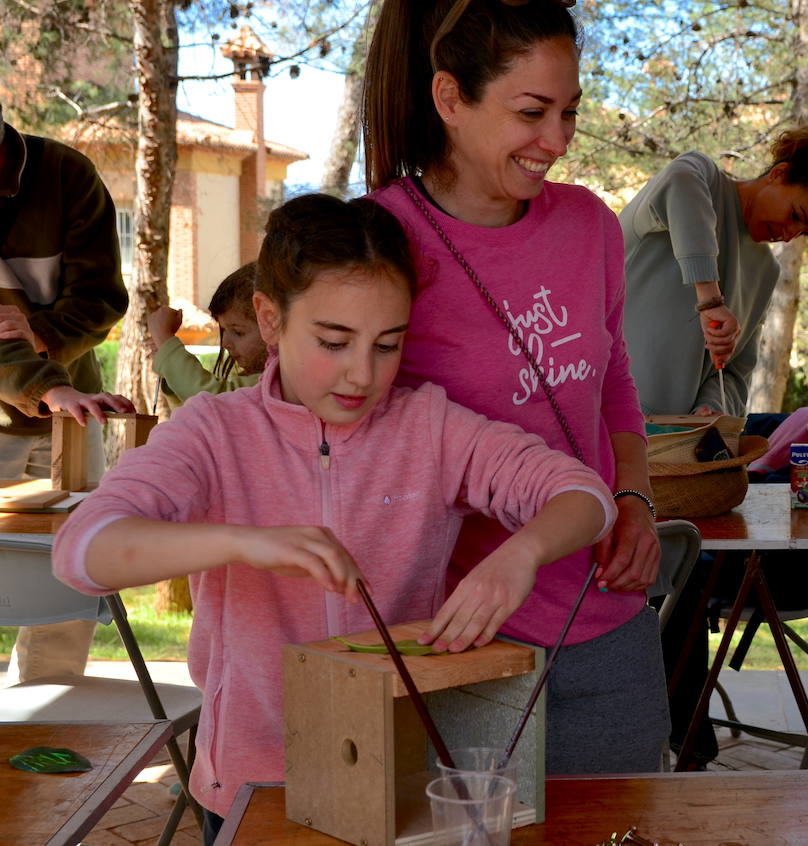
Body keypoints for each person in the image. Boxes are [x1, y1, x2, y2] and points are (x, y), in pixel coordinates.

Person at [50, 193, 617, 839]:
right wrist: (245, 542)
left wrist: (520, 555)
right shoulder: (213, 431)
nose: (361, 374)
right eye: (334, 341)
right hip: (254, 781)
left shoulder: (430, 426)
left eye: (388, 344)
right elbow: (82, 551)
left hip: (397, 777)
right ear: (270, 319)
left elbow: (584, 494)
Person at [360, 0, 669, 773]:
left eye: (570, 112)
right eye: (532, 112)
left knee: (628, 823)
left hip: (610, 620)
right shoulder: (380, 241)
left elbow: (612, 382)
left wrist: (634, 499)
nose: (556, 141)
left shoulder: (591, 226)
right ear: (450, 99)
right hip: (462, 634)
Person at [0, 102, 134, 686]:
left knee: (66, 585)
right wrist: (48, 387)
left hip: (70, 416)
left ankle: (47, 711)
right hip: (57, 399)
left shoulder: (67, 173)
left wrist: (44, 336)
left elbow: (101, 298)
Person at [621, 127, 808, 416]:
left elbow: (735, 372)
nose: (789, 236)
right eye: (795, 215)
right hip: (596, 407)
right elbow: (680, 181)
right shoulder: (702, 180)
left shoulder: (766, 272)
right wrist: (710, 300)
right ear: (779, 174)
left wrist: (712, 407)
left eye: (803, 232)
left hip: (669, 437)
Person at [148, 262, 267, 409]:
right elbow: (195, 413)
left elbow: (214, 400)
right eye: (223, 330)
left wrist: (168, 346)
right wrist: (171, 373)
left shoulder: (274, 383)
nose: (225, 343)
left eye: (238, 332)